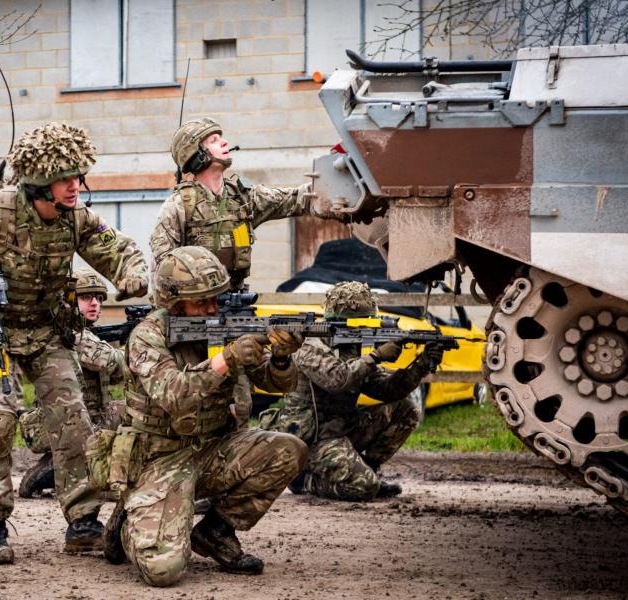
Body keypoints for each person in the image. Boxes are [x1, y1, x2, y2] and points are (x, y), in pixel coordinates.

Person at [0, 122, 149, 565]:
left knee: (73, 419)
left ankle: (82, 520)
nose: (75, 187)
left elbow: (118, 248)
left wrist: (131, 274)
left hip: (47, 332)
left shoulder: (75, 217)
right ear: (39, 184)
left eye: (78, 178)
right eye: (66, 179)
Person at [104, 246, 308, 587]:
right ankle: (128, 521)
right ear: (174, 302)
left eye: (216, 299)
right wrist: (226, 359)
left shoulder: (226, 326)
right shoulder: (147, 336)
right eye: (202, 302)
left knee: (288, 449)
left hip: (214, 447)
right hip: (160, 457)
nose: (212, 309)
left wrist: (281, 358)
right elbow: (176, 395)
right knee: (163, 572)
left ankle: (215, 531)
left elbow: (276, 384)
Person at [261, 282, 444, 501]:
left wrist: (423, 363)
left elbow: (387, 389)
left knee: (405, 410)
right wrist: (376, 356)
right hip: (311, 441)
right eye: (364, 321)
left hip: (342, 430)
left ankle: (368, 471)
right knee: (363, 489)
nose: (369, 326)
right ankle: (304, 481)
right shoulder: (305, 344)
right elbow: (336, 379)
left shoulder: (350, 346)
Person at [150, 117, 347, 290]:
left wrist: (340, 186)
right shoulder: (178, 206)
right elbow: (162, 271)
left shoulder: (244, 199)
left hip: (235, 303)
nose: (224, 142)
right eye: (214, 140)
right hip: (193, 310)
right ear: (197, 154)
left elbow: (296, 199)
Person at [18, 268, 127, 498]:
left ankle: (61, 465)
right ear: (68, 301)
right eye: (86, 297)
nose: (94, 303)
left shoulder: (83, 333)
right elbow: (115, 363)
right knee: (125, 410)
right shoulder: (73, 334)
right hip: (69, 425)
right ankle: (68, 469)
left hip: (75, 422)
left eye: (98, 298)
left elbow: (116, 375)